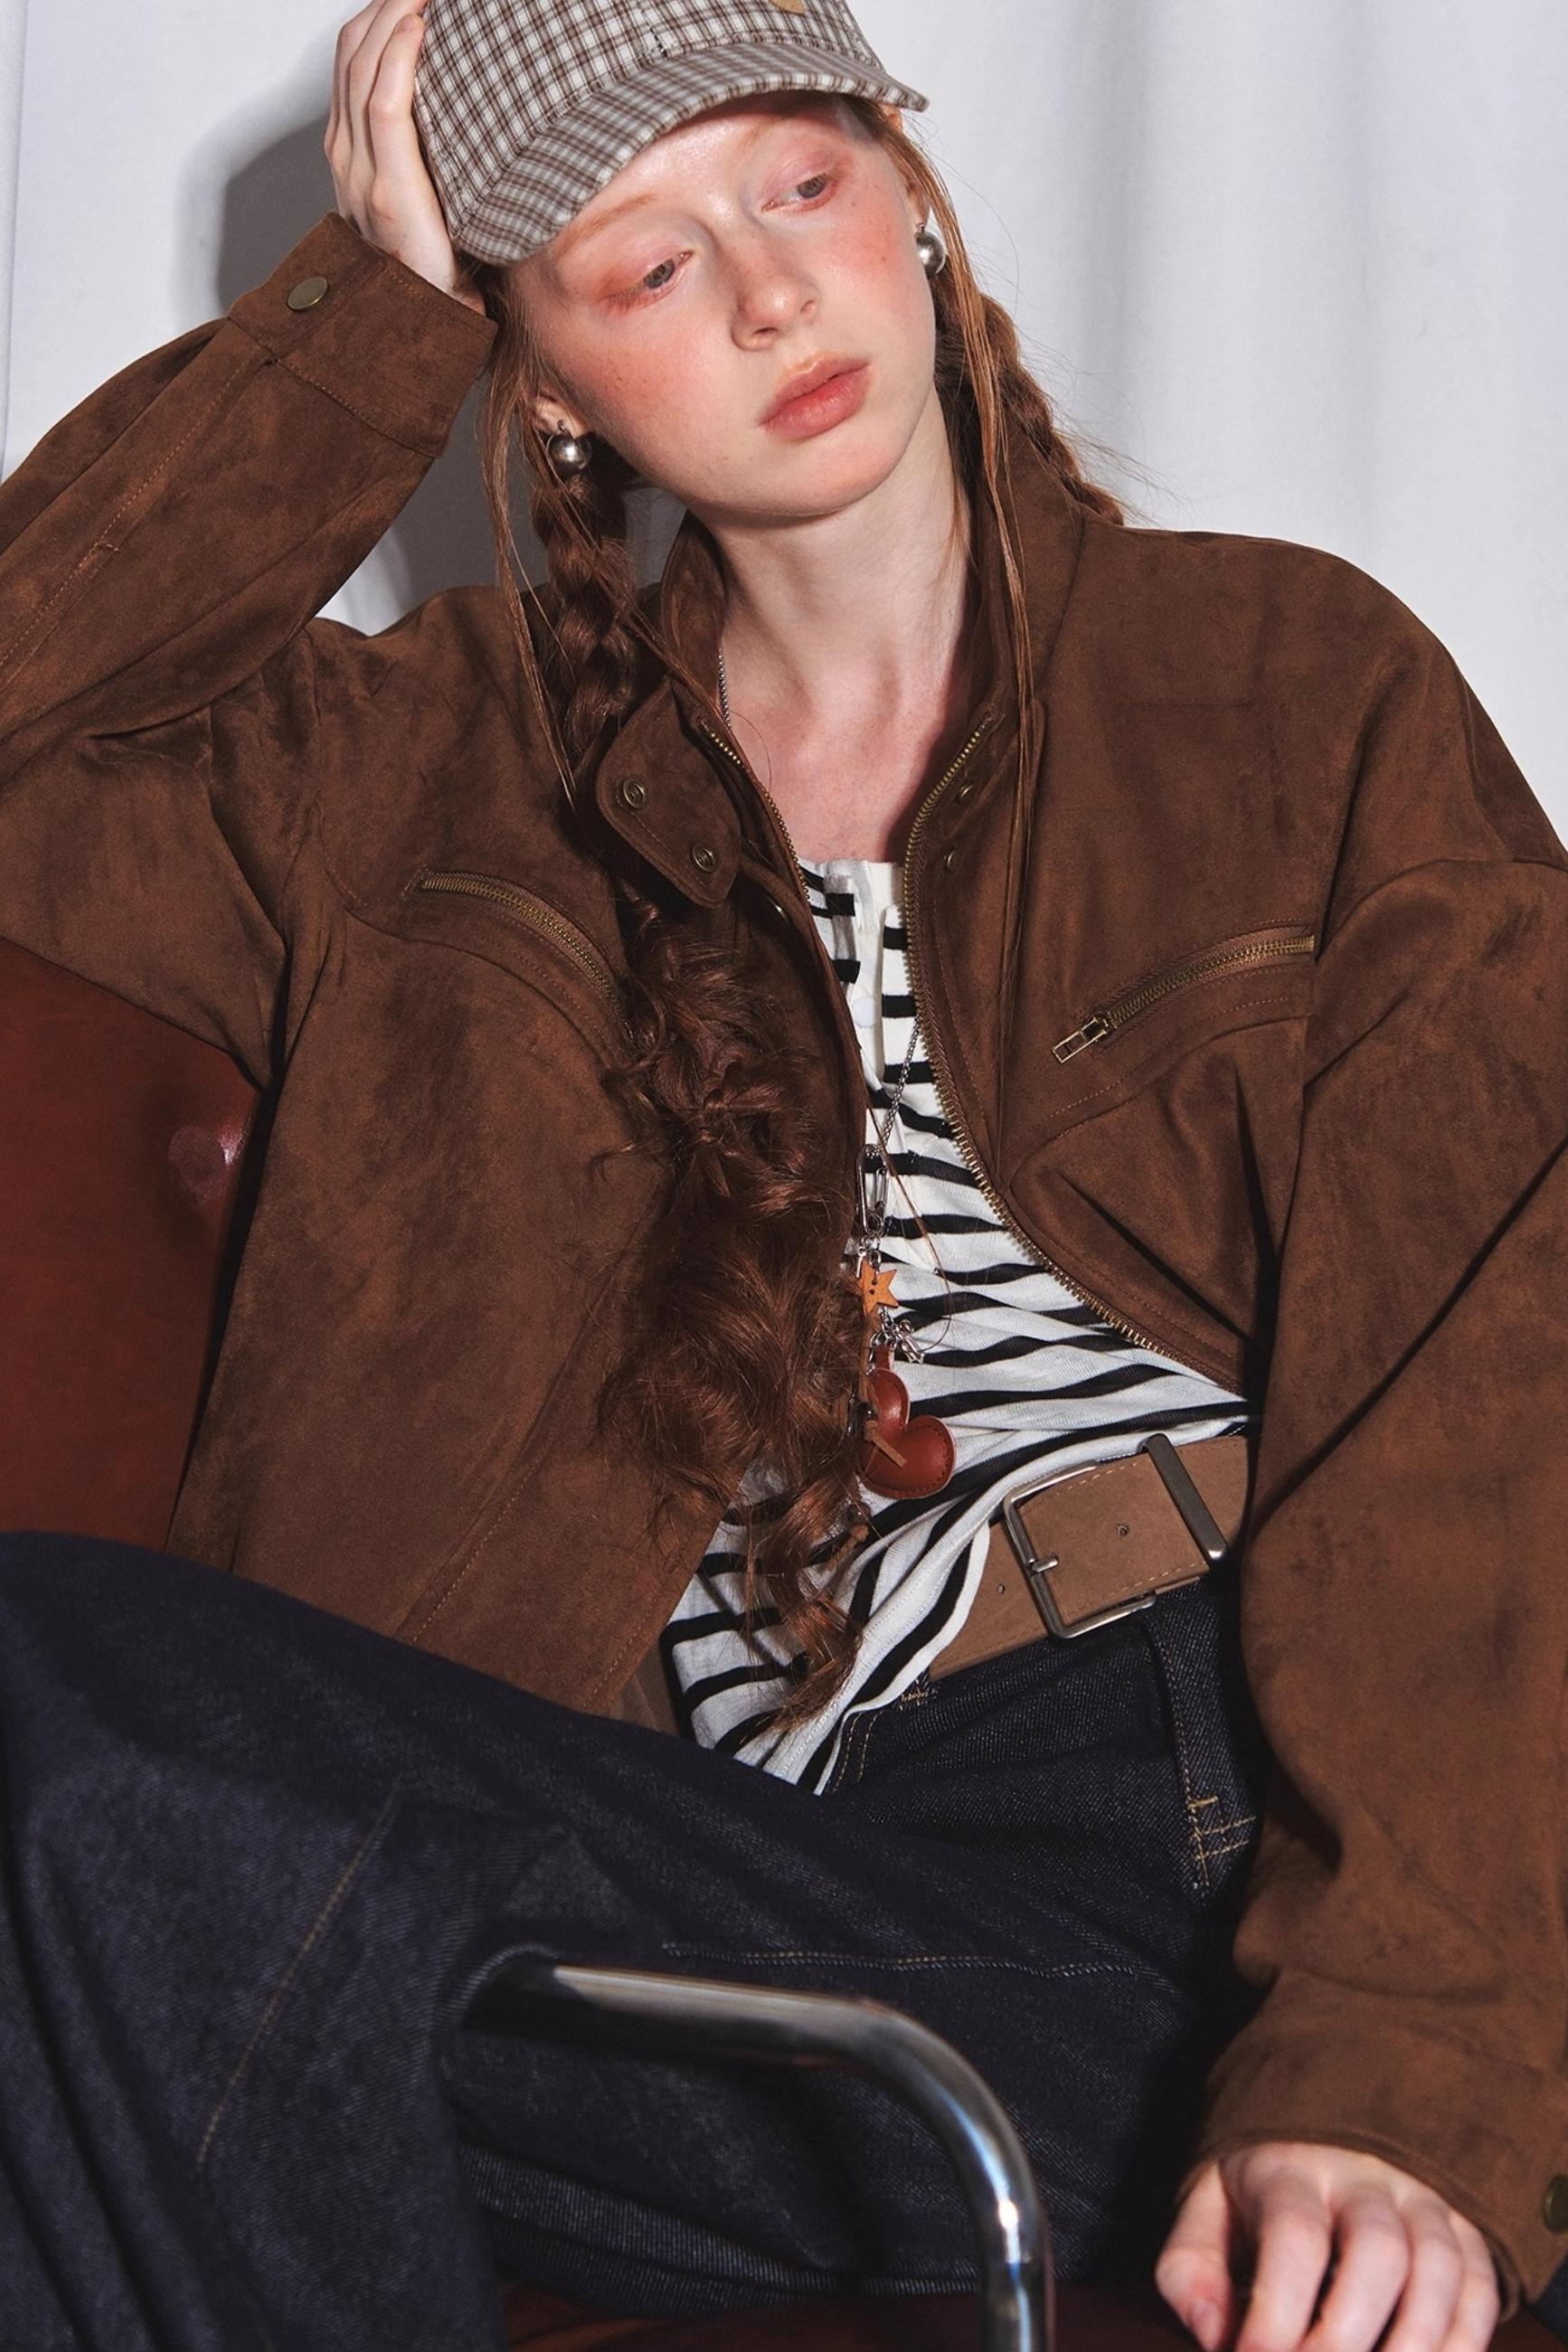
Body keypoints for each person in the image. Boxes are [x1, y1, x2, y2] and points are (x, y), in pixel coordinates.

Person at [0, 0, 1563, 2347]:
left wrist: (1403, 2063)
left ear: (910, 200)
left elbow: (1498, 1379)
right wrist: (365, 321)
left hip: (1228, 1855)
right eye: (641, 265)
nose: (762, 294)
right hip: (760, 1906)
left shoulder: (1283, 685)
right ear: (536, 376)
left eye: (800, 184)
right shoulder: (410, 774)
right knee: (52, 1708)